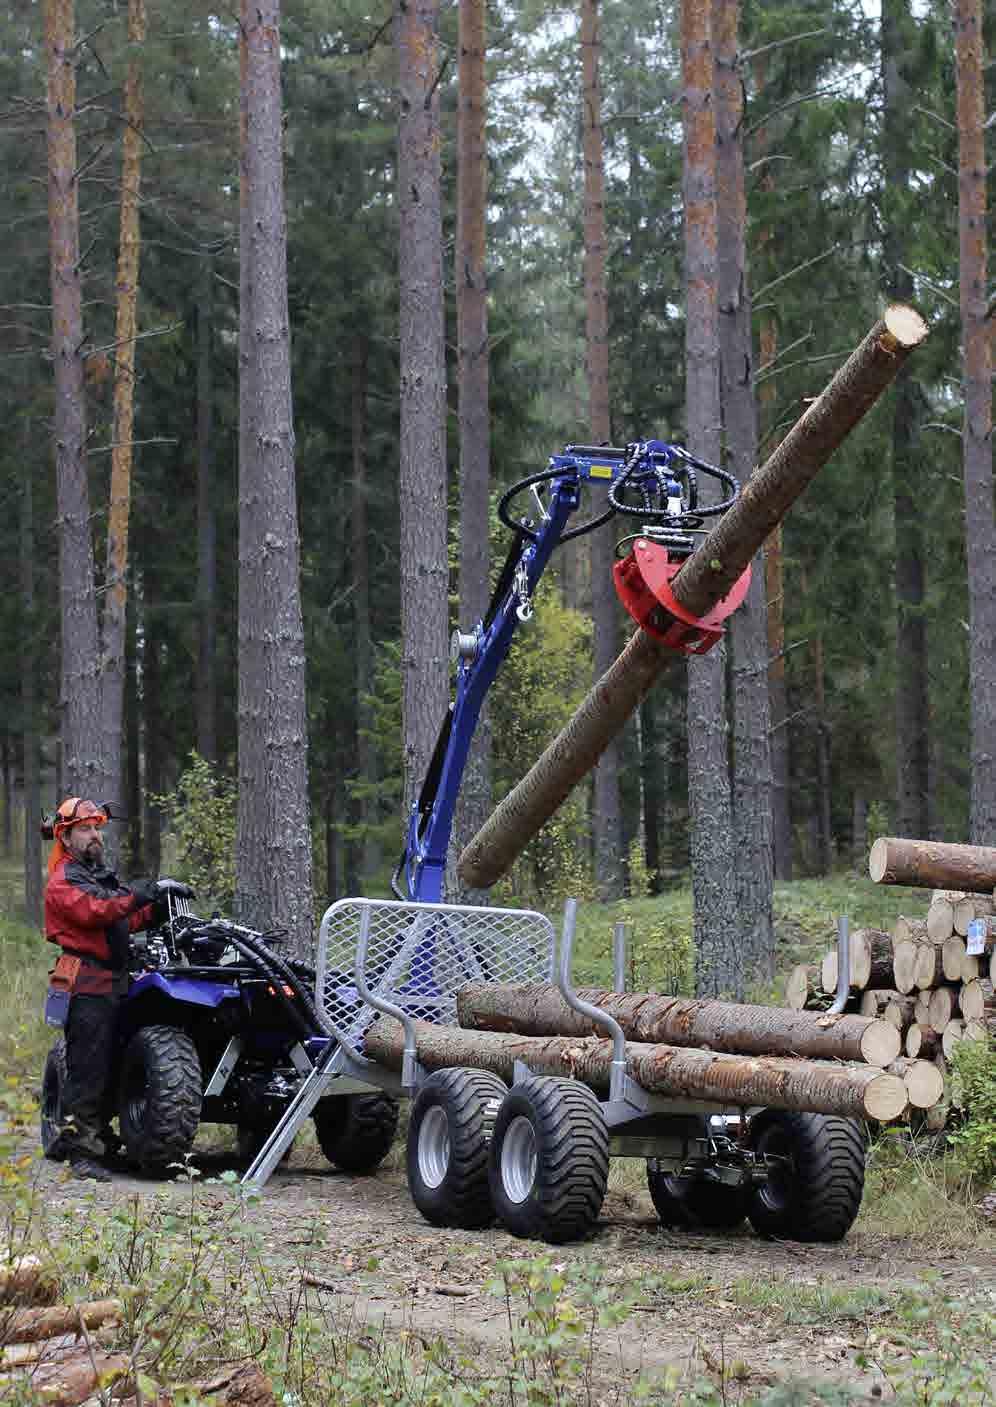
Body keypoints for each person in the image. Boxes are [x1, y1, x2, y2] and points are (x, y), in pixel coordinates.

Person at [43, 797, 162, 1181]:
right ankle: (81, 1152)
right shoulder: (64, 879)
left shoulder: (95, 873)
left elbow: (123, 915)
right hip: (86, 980)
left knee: (111, 1062)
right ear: (65, 836)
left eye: (97, 828)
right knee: (88, 1067)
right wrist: (138, 895)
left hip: (113, 979)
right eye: (85, 829)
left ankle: (98, 1140)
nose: (95, 835)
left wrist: (156, 905)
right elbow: (97, 911)